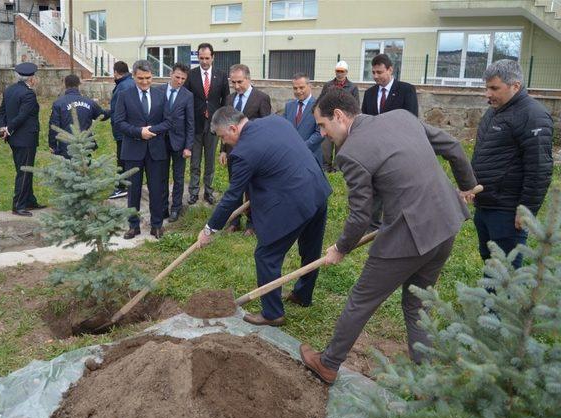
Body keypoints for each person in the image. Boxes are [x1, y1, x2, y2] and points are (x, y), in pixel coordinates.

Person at [299, 89, 478, 385]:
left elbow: (360, 216)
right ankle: (426, 372)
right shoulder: (402, 118)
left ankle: (328, 364)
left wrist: (340, 248)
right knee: (417, 301)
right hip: (447, 223)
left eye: (322, 125)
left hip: (409, 236)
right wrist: (468, 186)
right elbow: (454, 146)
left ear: (340, 117)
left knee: (361, 300)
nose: (322, 133)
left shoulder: (350, 154)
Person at [197, 107, 331, 326]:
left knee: (266, 256)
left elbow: (232, 197)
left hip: (295, 200)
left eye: (224, 137)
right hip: (317, 190)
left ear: (233, 128)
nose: (226, 143)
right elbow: (282, 157)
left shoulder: (243, 153)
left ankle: (272, 313)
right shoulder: (275, 122)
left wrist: (209, 229)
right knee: (310, 250)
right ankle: (303, 295)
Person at [472, 59, 553, 269]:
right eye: (486, 87)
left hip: (507, 210)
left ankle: (504, 303)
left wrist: (525, 210)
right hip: (485, 203)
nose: (487, 94)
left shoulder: (533, 115)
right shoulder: (493, 112)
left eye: (494, 88)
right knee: (490, 262)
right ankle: (488, 302)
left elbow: (539, 169)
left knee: (507, 269)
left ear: (515, 86)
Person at [113, 60, 172, 240]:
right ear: (133, 76)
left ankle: (156, 225)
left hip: (156, 150)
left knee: (156, 189)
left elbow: (169, 121)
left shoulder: (161, 95)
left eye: (148, 78)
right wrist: (139, 132)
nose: (145, 82)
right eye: (140, 78)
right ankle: (133, 226)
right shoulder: (125, 94)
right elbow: (119, 122)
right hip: (133, 150)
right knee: (133, 190)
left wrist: (151, 131)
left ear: (152, 76)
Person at [361, 53, 419, 231]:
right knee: (375, 185)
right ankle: (372, 224)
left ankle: (396, 223)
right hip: (376, 149)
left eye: (380, 72)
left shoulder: (406, 90)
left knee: (397, 186)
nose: (376, 76)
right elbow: (366, 120)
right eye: (373, 72)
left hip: (398, 147)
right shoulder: (370, 93)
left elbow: (411, 119)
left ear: (390, 69)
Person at [222, 63, 272, 235]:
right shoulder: (229, 99)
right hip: (233, 152)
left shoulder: (261, 98)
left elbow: (266, 127)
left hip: (254, 154)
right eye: (233, 82)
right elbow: (225, 126)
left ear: (248, 79)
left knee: (252, 188)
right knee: (234, 186)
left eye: (240, 82)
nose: (236, 86)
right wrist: (223, 149)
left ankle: (252, 223)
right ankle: (234, 221)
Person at [183, 43, 230, 206]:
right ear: (198, 57)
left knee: (210, 161)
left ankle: (209, 192)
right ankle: (194, 192)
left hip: (213, 126)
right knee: (195, 161)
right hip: (195, 125)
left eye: (207, 58)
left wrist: (222, 122)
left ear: (213, 57)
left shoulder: (221, 76)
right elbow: (186, 99)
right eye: (201, 58)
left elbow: (225, 100)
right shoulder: (191, 75)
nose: (204, 61)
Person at [0, 62, 44, 217]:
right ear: (31, 79)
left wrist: (3, 127)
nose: (36, 79)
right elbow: (22, 116)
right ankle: (18, 205)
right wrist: (8, 129)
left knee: (24, 170)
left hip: (15, 138)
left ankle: (29, 200)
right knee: (24, 171)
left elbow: (2, 111)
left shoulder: (10, 90)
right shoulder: (29, 94)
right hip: (25, 138)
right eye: (35, 77)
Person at [162, 63, 195, 223]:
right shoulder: (158, 91)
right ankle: (162, 207)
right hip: (160, 141)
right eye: (177, 77)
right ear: (171, 74)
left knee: (178, 177)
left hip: (179, 143)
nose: (180, 81)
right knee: (160, 176)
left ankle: (176, 208)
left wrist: (188, 146)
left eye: (183, 78)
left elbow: (190, 123)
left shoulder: (187, 96)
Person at [48, 74, 108, 159]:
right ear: (79, 85)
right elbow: (102, 116)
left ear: (65, 85)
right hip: (85, 146)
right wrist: (115, 108)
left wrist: (52, 145)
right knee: (85, 170)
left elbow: (54, 126)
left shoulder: (58, 103)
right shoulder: (89, 102)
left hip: (65, 146)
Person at [319, 60, 359, 173]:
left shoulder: (352, 87)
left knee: (340, 145)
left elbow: (356, 105)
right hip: (329, 119)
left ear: (346, 72)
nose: (339, 73)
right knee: (326, 147)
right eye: (337, 71)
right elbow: (321, 100)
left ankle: (337, 169)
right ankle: (326, 168)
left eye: (342, 71)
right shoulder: (328, 85)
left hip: (343, 122)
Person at [108, 61, 137, 199]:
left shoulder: (122, 87)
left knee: (122, 159)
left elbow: (117, 110)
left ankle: (121, 187)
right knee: (127, 158)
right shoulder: (130, 82)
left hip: (122, 130)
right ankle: (129, 184)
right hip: (130, 128)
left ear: (116, 72)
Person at [283, 72, 324, 164]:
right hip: (291, 156)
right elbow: (284, 129)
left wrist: (301, 147)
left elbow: (320, 133)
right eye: (295, 88)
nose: (298, 91)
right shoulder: (289, 106)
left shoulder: (319, 106)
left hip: (312, 156)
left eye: (301, 87)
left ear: (309, 86)